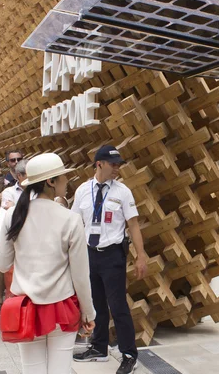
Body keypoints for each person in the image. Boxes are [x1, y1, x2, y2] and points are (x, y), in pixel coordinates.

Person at [0, 153, 96, 374]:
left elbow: (2, 264)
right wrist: (88, 313)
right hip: (62, 307)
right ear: (51, 181)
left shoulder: (13, 214)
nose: (66, 180)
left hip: (25, 307)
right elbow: (81, 275)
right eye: (62, 177)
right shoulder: (70, 219)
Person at [72, 145, 148, 374]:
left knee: (118, 306)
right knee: (95, 305)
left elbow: (133, 224)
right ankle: (99, 348)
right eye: (113, 164)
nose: (117, 169)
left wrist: (141, 255)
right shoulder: (83, 190)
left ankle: (129, 355)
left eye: (118, 165)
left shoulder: (122, 192)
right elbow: (75, 224)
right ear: (99, 164)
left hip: (113, 255)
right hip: (89, 254)